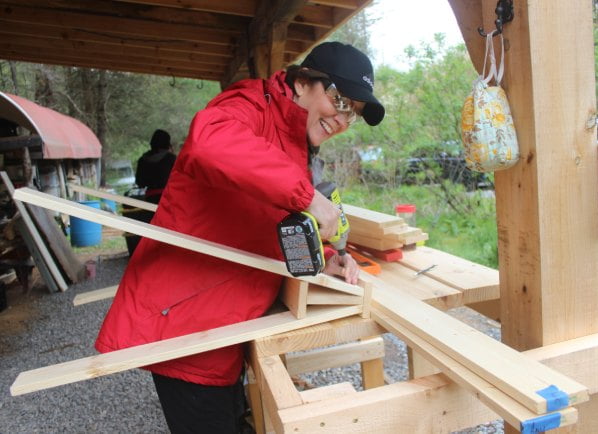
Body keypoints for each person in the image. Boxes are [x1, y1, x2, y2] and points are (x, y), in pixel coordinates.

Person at [95, 41, 385, 433]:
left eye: (355, 113)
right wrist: (309, 197)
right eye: (340, 101)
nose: (344, 119)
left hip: (226, 325)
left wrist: (327, 255)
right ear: (301, 84)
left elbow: (274, 219)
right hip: (187, 327)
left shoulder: (294, 140)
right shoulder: (251, 105)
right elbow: (209, 142)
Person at [135, 128, 177, 204]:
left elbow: (139, 183)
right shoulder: (171, 159)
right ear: (167, 143)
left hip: (150, 198)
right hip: (168, 196)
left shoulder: (143, 160)